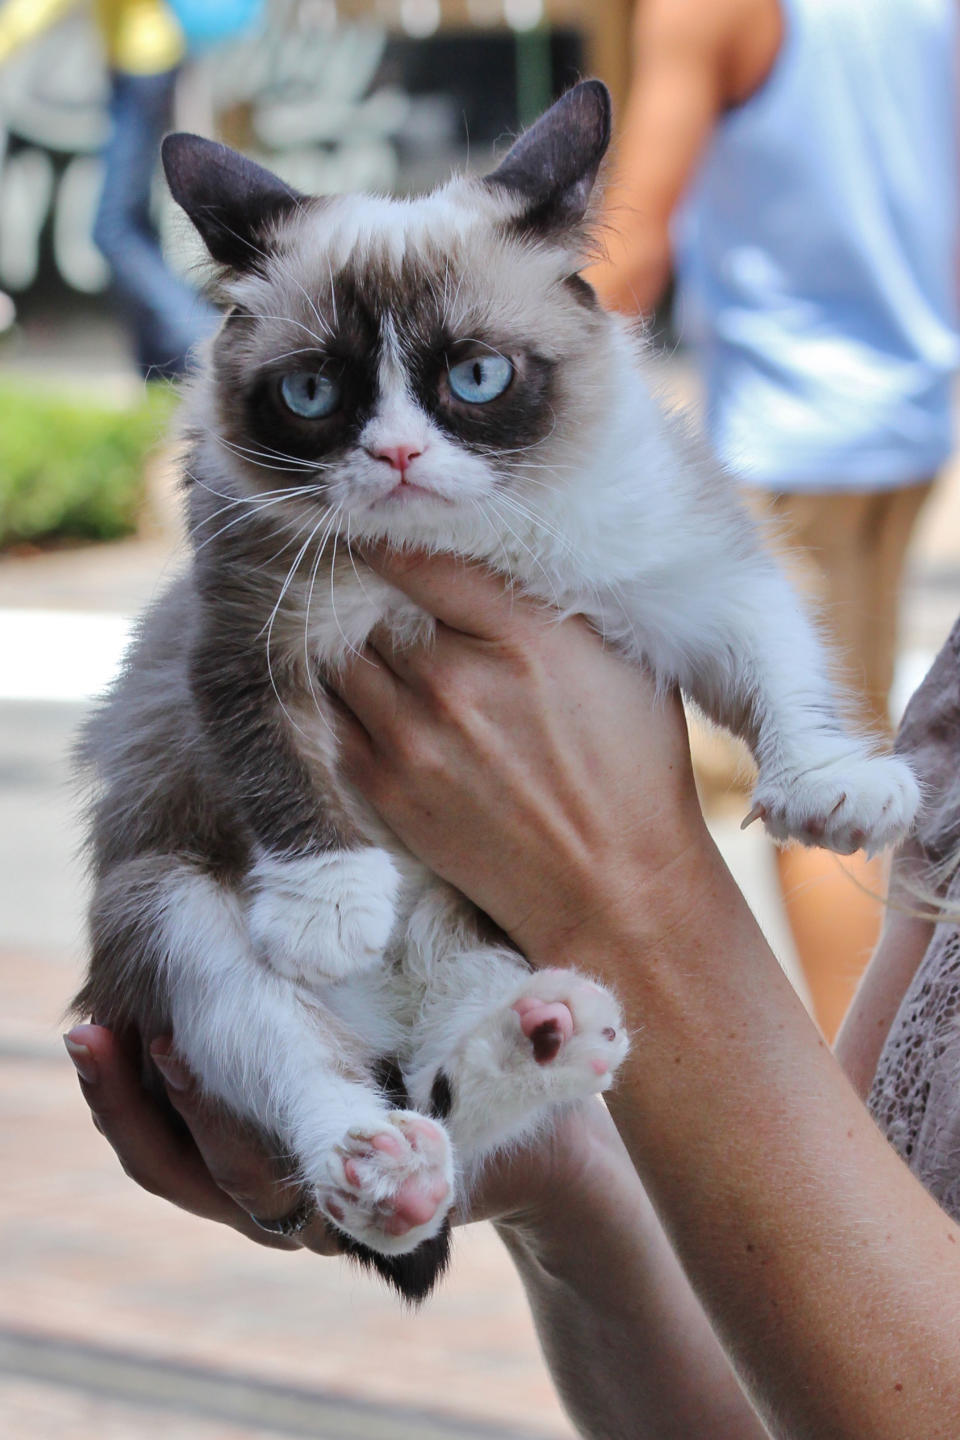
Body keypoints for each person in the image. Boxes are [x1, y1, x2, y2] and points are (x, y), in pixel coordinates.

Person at [66, 547, 960, 1439]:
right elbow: (810, 1344)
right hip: (283, 925)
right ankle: (389, 1103)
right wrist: (558, 1180)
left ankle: (420, 1090)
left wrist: (630, 895)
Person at [584, 0, 960, 1041]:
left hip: (787, 448)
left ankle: (876, 1136)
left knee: (817, 790)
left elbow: (631, 248)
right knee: (859, 767)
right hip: (908, 417)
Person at [0, 0, 232, 377]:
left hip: (144, 67)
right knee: (131, 224)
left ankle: (208, 344)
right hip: (138, 66)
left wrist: (5, 40)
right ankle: (159, 366)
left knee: (113, 230)